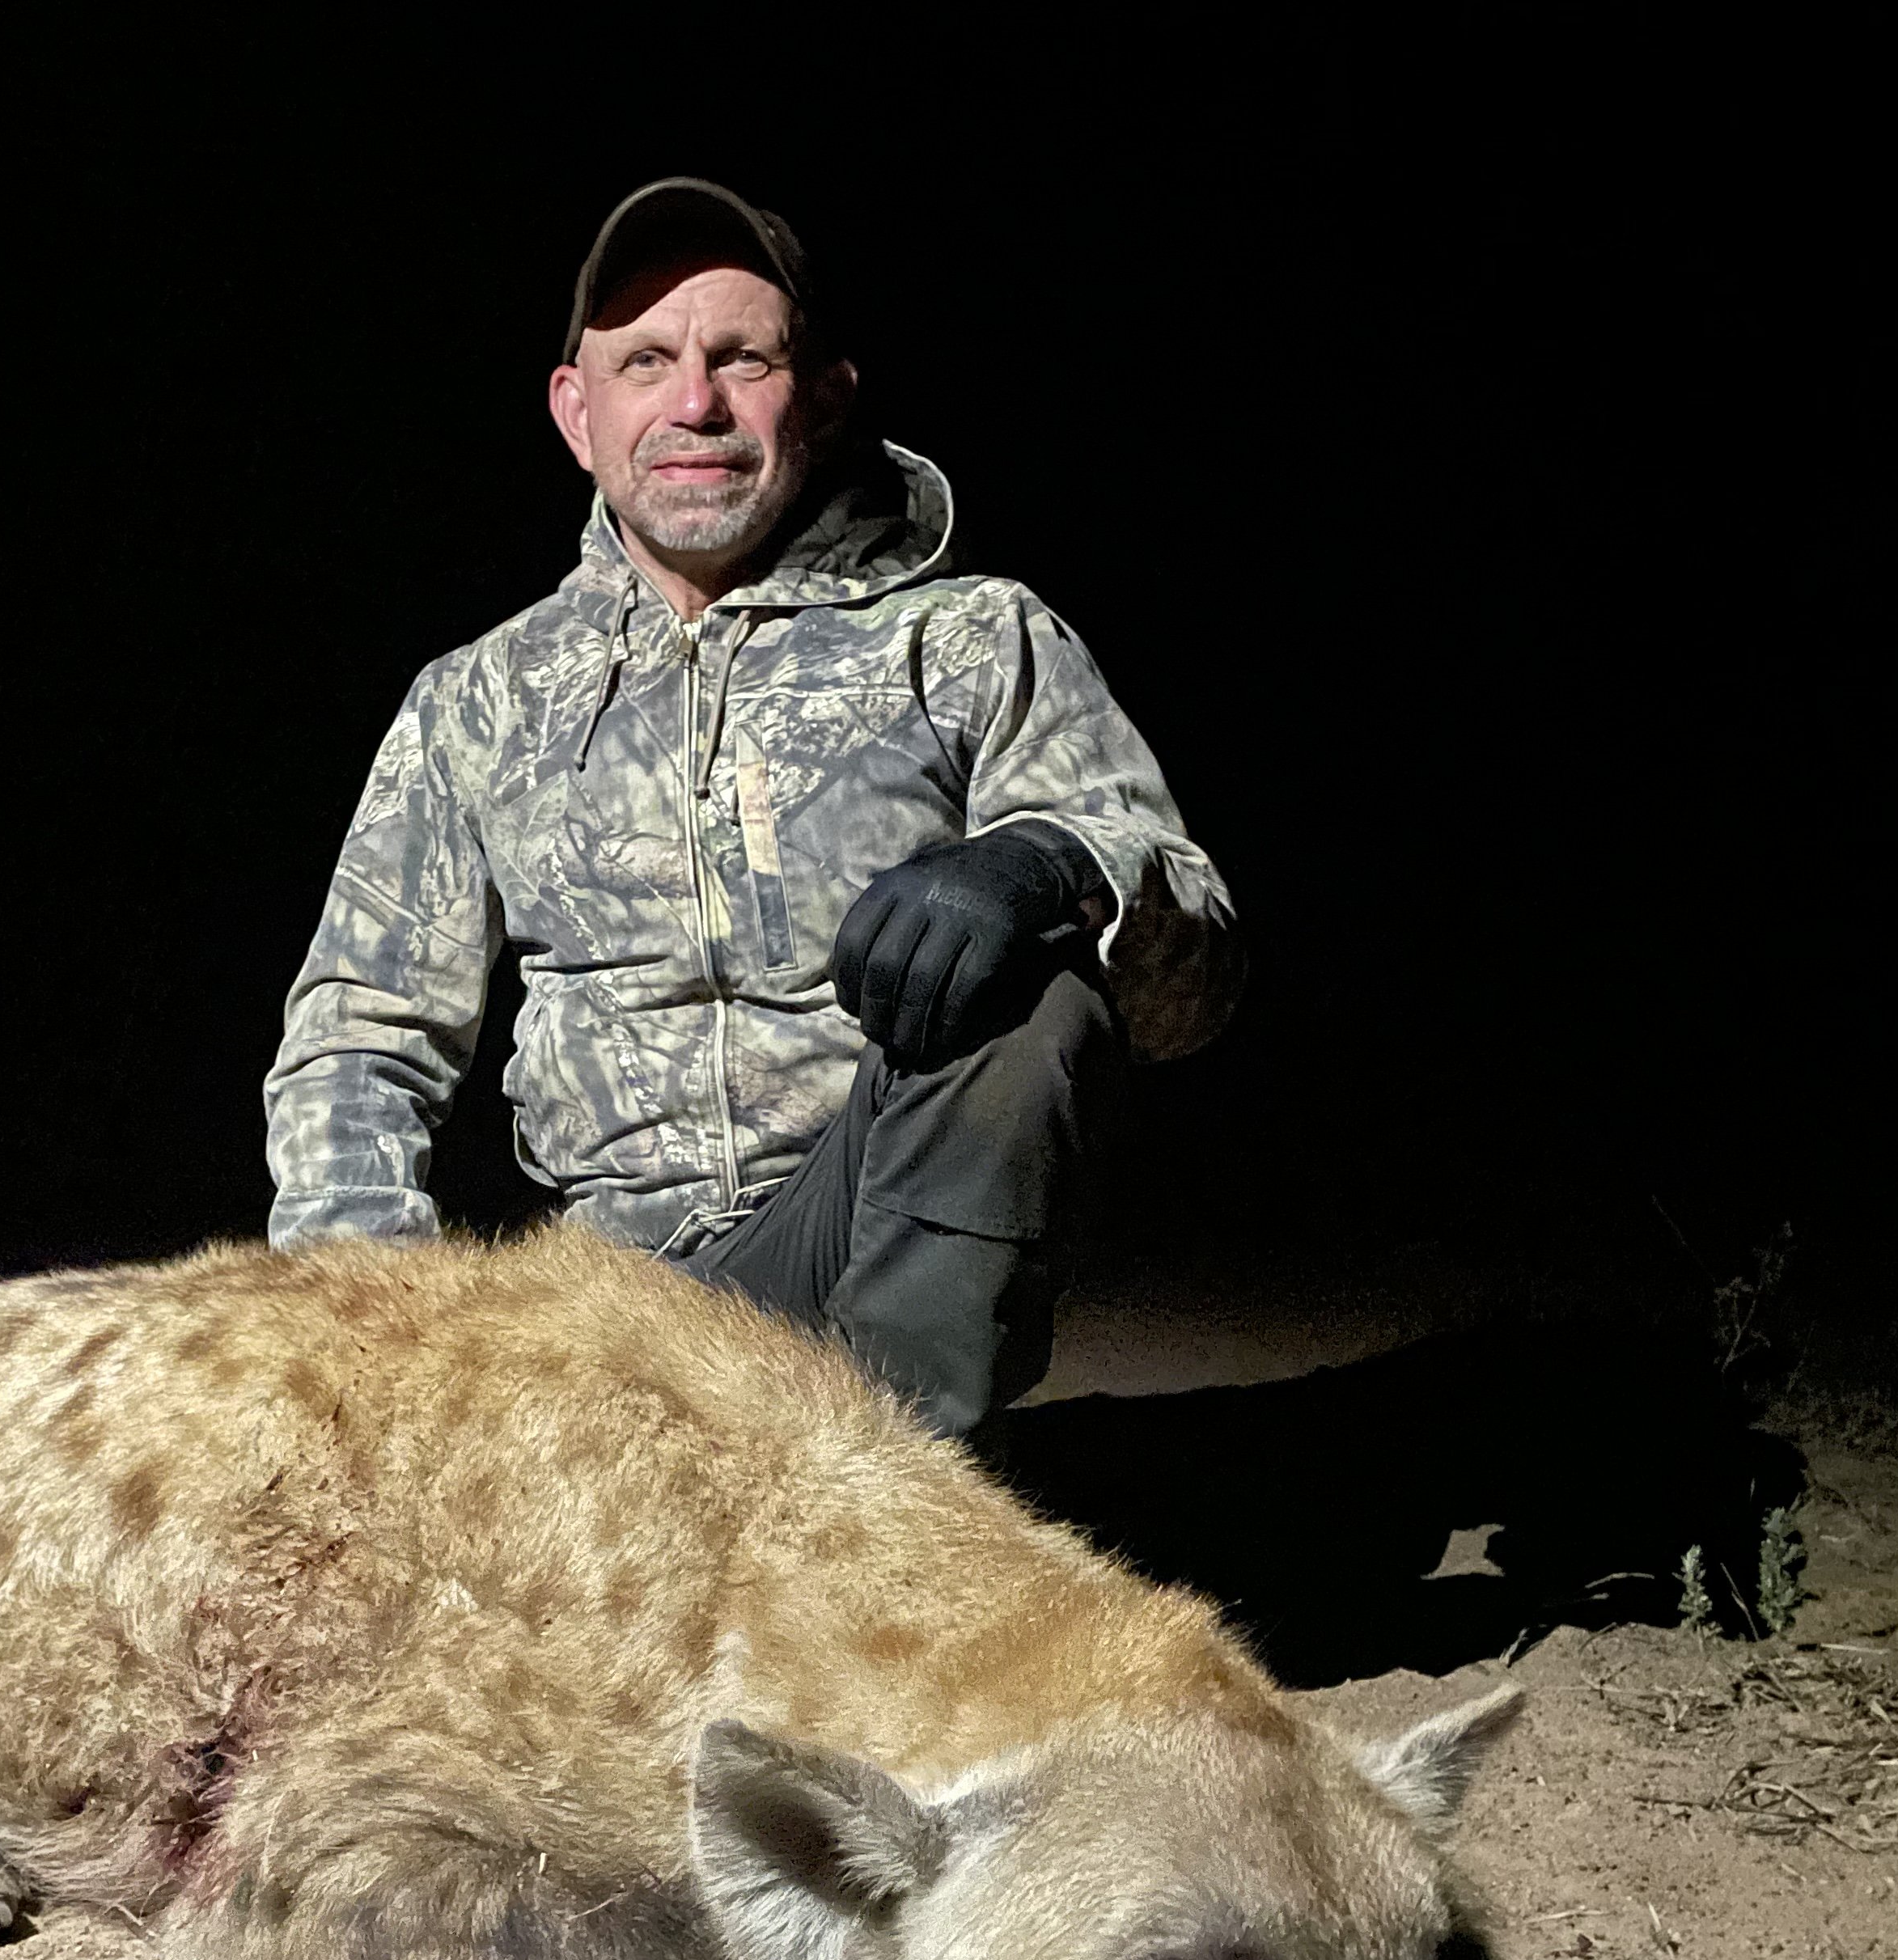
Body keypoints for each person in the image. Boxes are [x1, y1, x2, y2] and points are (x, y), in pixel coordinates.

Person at [264, 178, 1241, 1437]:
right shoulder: (478, 700)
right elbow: (359, 1036)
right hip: (602, 1316)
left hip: (860, 1257)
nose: (693, 404)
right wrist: (375, 1355)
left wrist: (1053, 865)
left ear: (824, 396)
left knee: (1038, 988)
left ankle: (880, 1492)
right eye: (645, 362)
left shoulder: (967, 641)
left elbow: (1195, 986)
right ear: (577, 412)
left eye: (744, 359)